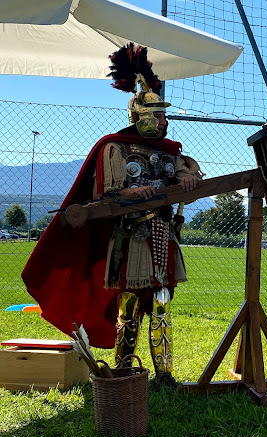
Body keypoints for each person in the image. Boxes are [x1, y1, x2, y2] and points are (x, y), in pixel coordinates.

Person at [22, 43, 202, 389]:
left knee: (162, 305)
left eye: (165, 115)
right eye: (159, 115)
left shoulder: (169, 152)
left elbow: (183, 172)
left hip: (162, 234)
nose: (164, 121)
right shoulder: (115, 147)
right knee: (130, 306)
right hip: (130, 237)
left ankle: (163, 374)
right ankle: (124, 370)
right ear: (140, 116)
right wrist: (128, 193)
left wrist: (186, 177)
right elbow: (104, 191)